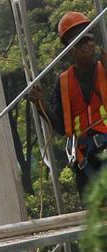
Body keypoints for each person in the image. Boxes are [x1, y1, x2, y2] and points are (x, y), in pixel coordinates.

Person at [29, 11, 107, 192]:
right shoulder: (64, 82)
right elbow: (61, 127)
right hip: (86, 159)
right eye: (80, 42)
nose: (87, 45)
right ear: (70, 48)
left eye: (89, 39)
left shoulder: (104, 68)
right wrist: (42, 105)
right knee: (97, 215)